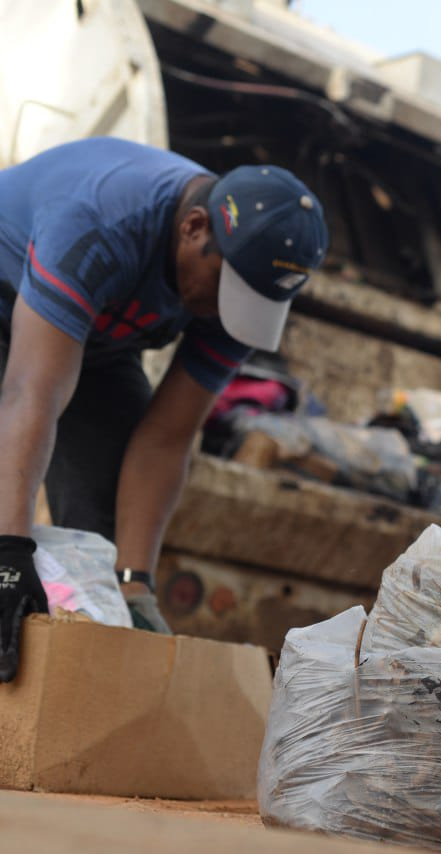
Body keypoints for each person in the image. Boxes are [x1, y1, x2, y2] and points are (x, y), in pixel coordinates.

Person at [0, 137, 328, 682]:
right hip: (10, 303)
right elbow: (30, 392)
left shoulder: (239, 276)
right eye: (228, 289)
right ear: (194, 227)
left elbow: (165, 438)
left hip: (98, 346)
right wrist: (9, 556)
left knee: (103, 550)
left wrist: (133, 583)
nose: (229, 313)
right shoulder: (100, 221)